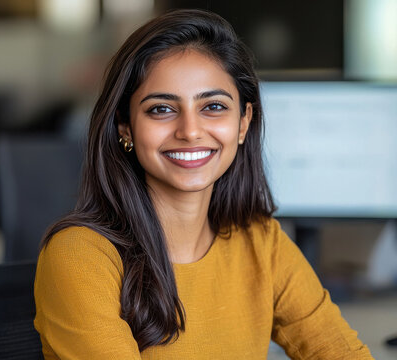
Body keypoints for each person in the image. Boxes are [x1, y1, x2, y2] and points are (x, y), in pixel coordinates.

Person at [33, 9, 373, 359]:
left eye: (213, 106)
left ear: (243, 122)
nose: (190, 131)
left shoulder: (261, 243)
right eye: (161, 109)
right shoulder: (80, 257)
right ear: (125, 126)